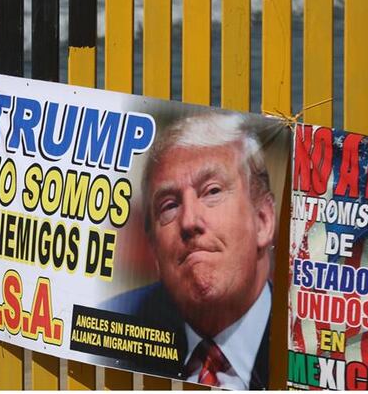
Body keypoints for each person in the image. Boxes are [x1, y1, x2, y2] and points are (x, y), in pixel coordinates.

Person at [102, 113, 276, 389]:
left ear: (263, 221)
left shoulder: (317, 340)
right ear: (154, 251)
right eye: (169, 206)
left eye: (212, 191)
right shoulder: (109, 329)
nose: (189, 221)